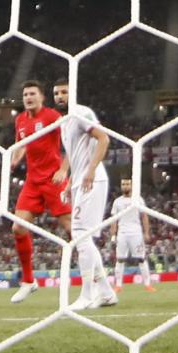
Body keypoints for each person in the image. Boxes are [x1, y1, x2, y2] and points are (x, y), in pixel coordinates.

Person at [8, 81, 73, 304]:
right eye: (25, 94)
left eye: (32, 94)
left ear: (42, 97)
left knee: (71, 229)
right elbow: (21, 144)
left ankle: (92, 275)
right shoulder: (20, 119)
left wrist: (63, 170)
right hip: (32, 181)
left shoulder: (52, 116)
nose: (28, 97)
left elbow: (71, 144)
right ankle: (28, 281)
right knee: (18, 227)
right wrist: (14, 160)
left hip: (54, 179)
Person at [55, 81, 116, 311]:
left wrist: (90, 170)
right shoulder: (64, 122)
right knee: (84, 238)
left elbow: (104, 138)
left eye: (64, 92)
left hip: (93, 180)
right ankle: (106, 293)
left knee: (80, 235)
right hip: (80, 182)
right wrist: (70, 183)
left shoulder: (81, 113)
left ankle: (87, 294)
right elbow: (75, 155)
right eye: (56, 93)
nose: (60, 96)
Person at [109, 176, 153, 292]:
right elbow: (114, 220)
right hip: (122, 233)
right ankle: (118, 285)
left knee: (141, 258)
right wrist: (113, 235)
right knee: (120, 259)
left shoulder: (138, 199)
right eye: (123, 184)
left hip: (136, 233)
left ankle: (147, 284)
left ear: (132, 185)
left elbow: (144, 216)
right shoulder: (117, 202)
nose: (125, 186)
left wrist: (146, 232)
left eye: (127, 184)